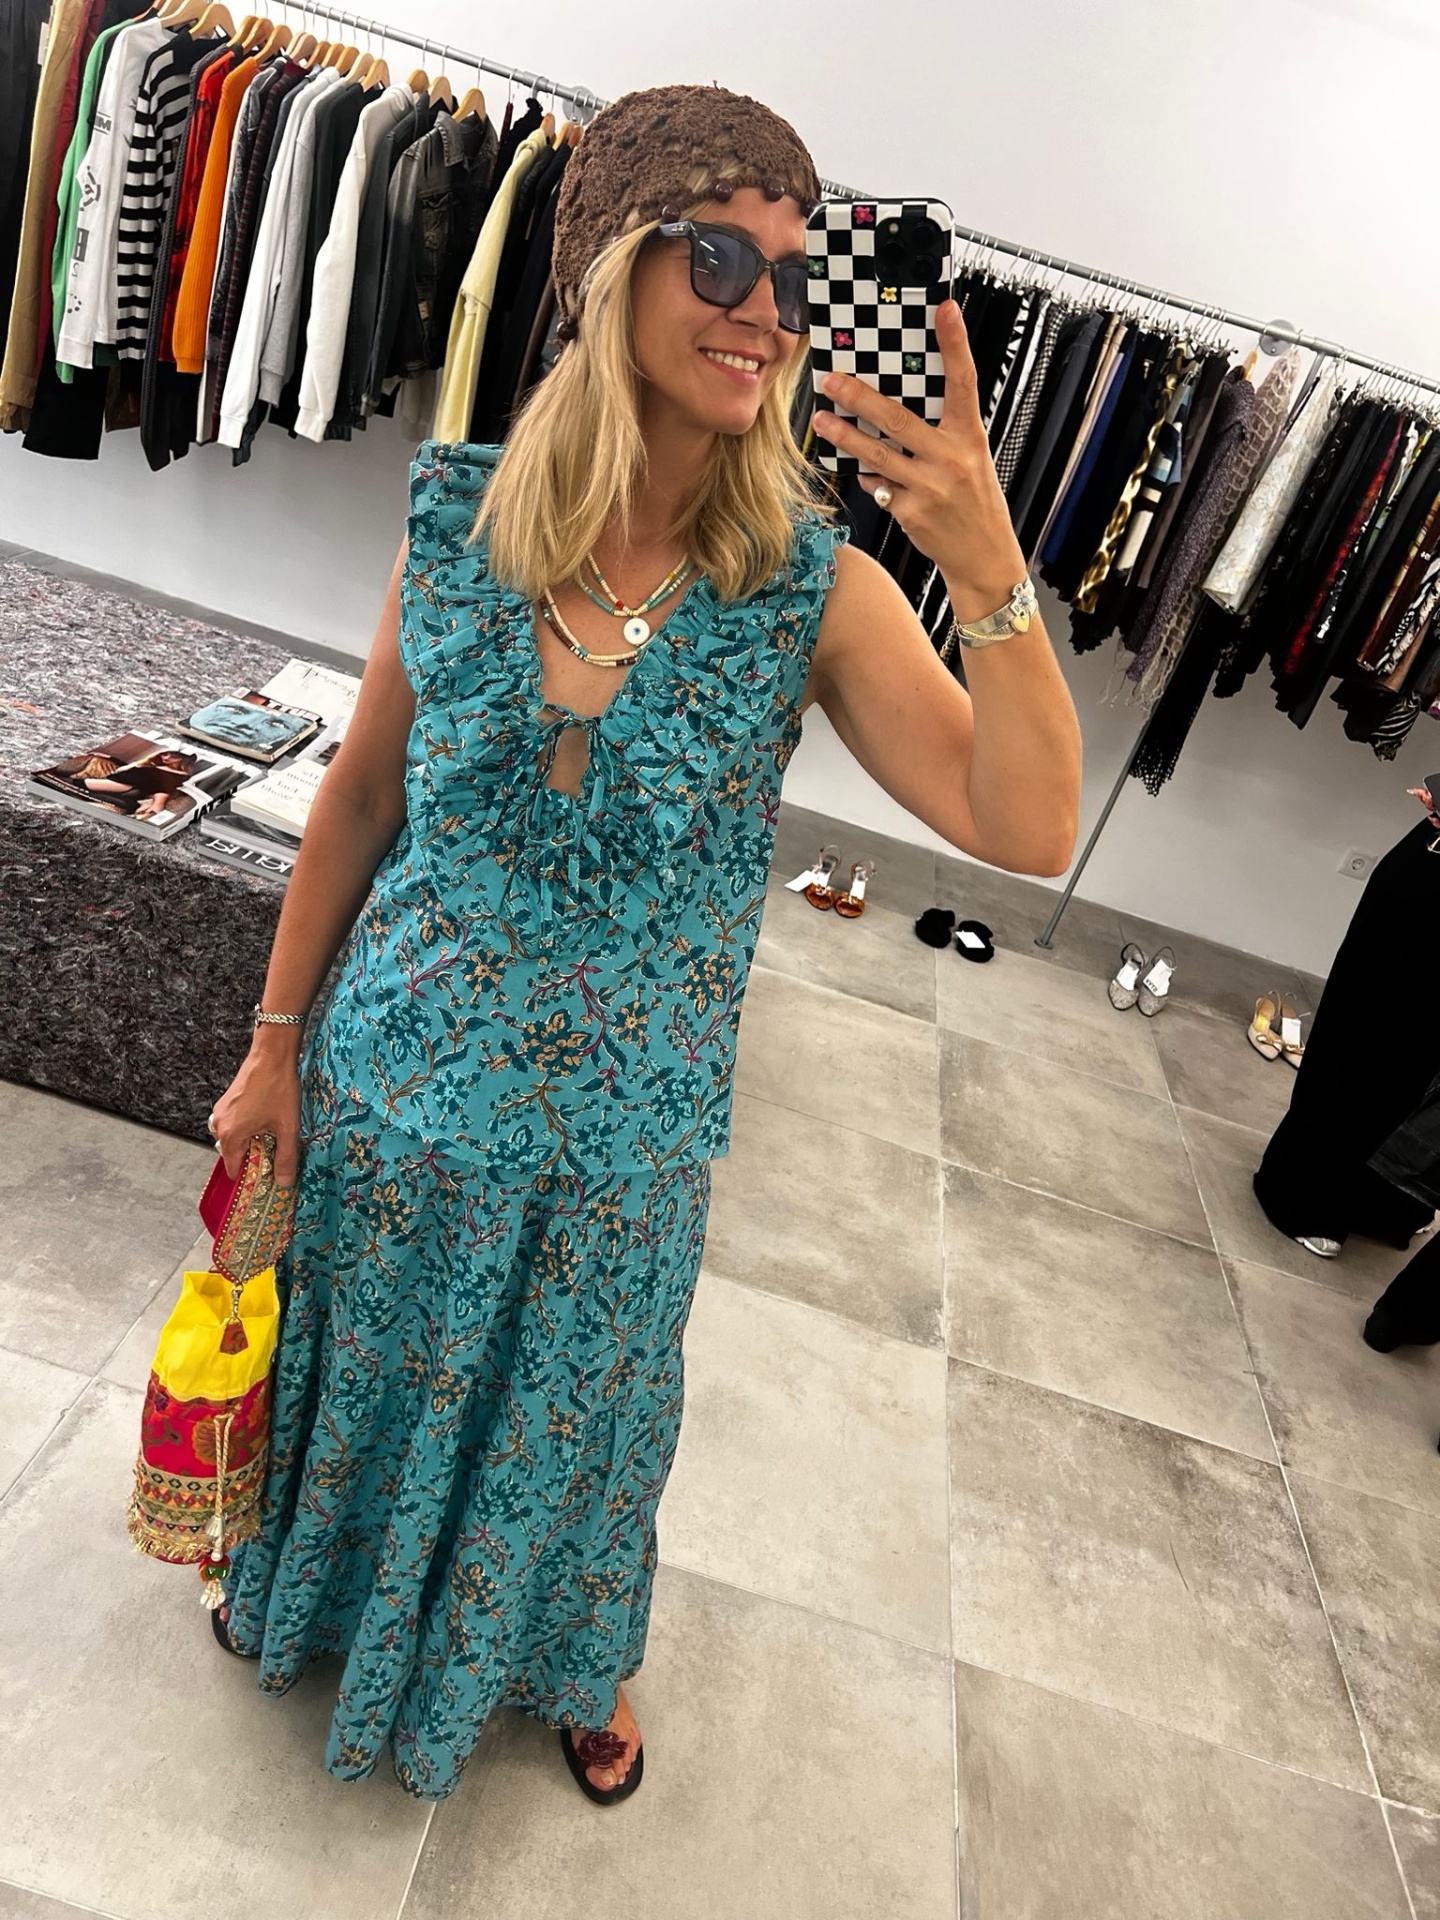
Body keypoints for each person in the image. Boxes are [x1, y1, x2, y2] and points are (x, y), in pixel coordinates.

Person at [203, 84, 1082, 1807]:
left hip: (619, 1156)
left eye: (791, 274)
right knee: (369, 1374)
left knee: (581, 1426)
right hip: (396, 1102)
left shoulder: (815, 593)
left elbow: (1030, 827)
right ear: (613, 266)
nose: (763, 310)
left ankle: (567, 1655)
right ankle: (327, 1600)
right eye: (717, 258)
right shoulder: (462, 523)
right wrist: (273, 1046)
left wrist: (991, 575)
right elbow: (362, 796)